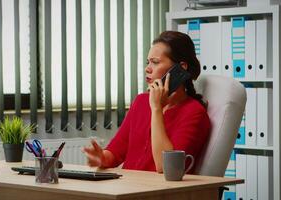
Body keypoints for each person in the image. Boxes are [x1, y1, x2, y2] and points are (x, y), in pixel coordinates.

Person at [82, 31, 211, 173]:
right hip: (129, 188)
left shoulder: (194, 112)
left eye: (155, 62)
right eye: (147, 62)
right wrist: (102, 158)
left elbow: (166, 167)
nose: (147, 68)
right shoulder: (141, 102)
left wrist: (156, 109)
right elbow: (116, 152)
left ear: (181, 68)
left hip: (158, 193)